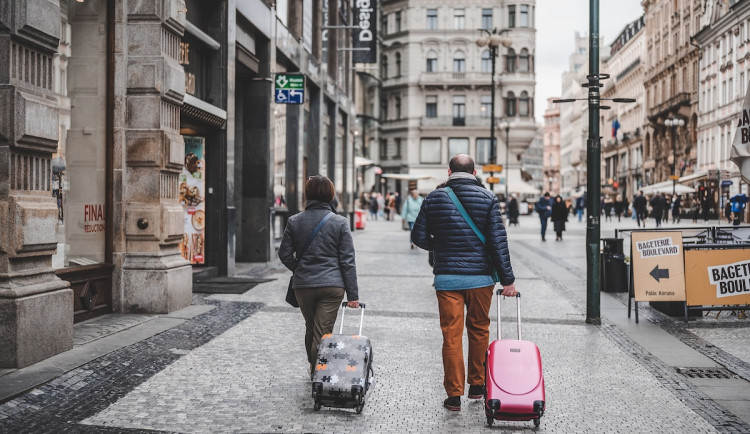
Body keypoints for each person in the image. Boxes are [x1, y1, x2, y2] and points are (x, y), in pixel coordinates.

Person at [411, 154, 517, 412]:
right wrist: (508, 280)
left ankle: (454, 395)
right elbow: (497, 242)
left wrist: (442, 248)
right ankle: (477, 386)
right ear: (475, 171)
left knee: (452, 335)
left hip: (447, 278)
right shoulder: (489, 198)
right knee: (479, 329)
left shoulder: (433, 198)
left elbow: (418, 236)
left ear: (448, 171)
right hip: (481, 278)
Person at [278, 175, 359, 376]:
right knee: (322, 331)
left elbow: (284, 254)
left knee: (311, 326)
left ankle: (314, 367)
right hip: (332, 286)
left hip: (303, 286)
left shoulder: (294, 221)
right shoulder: (340, 222)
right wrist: (353, 295)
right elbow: (347, 261)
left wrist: (299, 268)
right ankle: (319, 372)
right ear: (331, 195)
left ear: (308, 194)